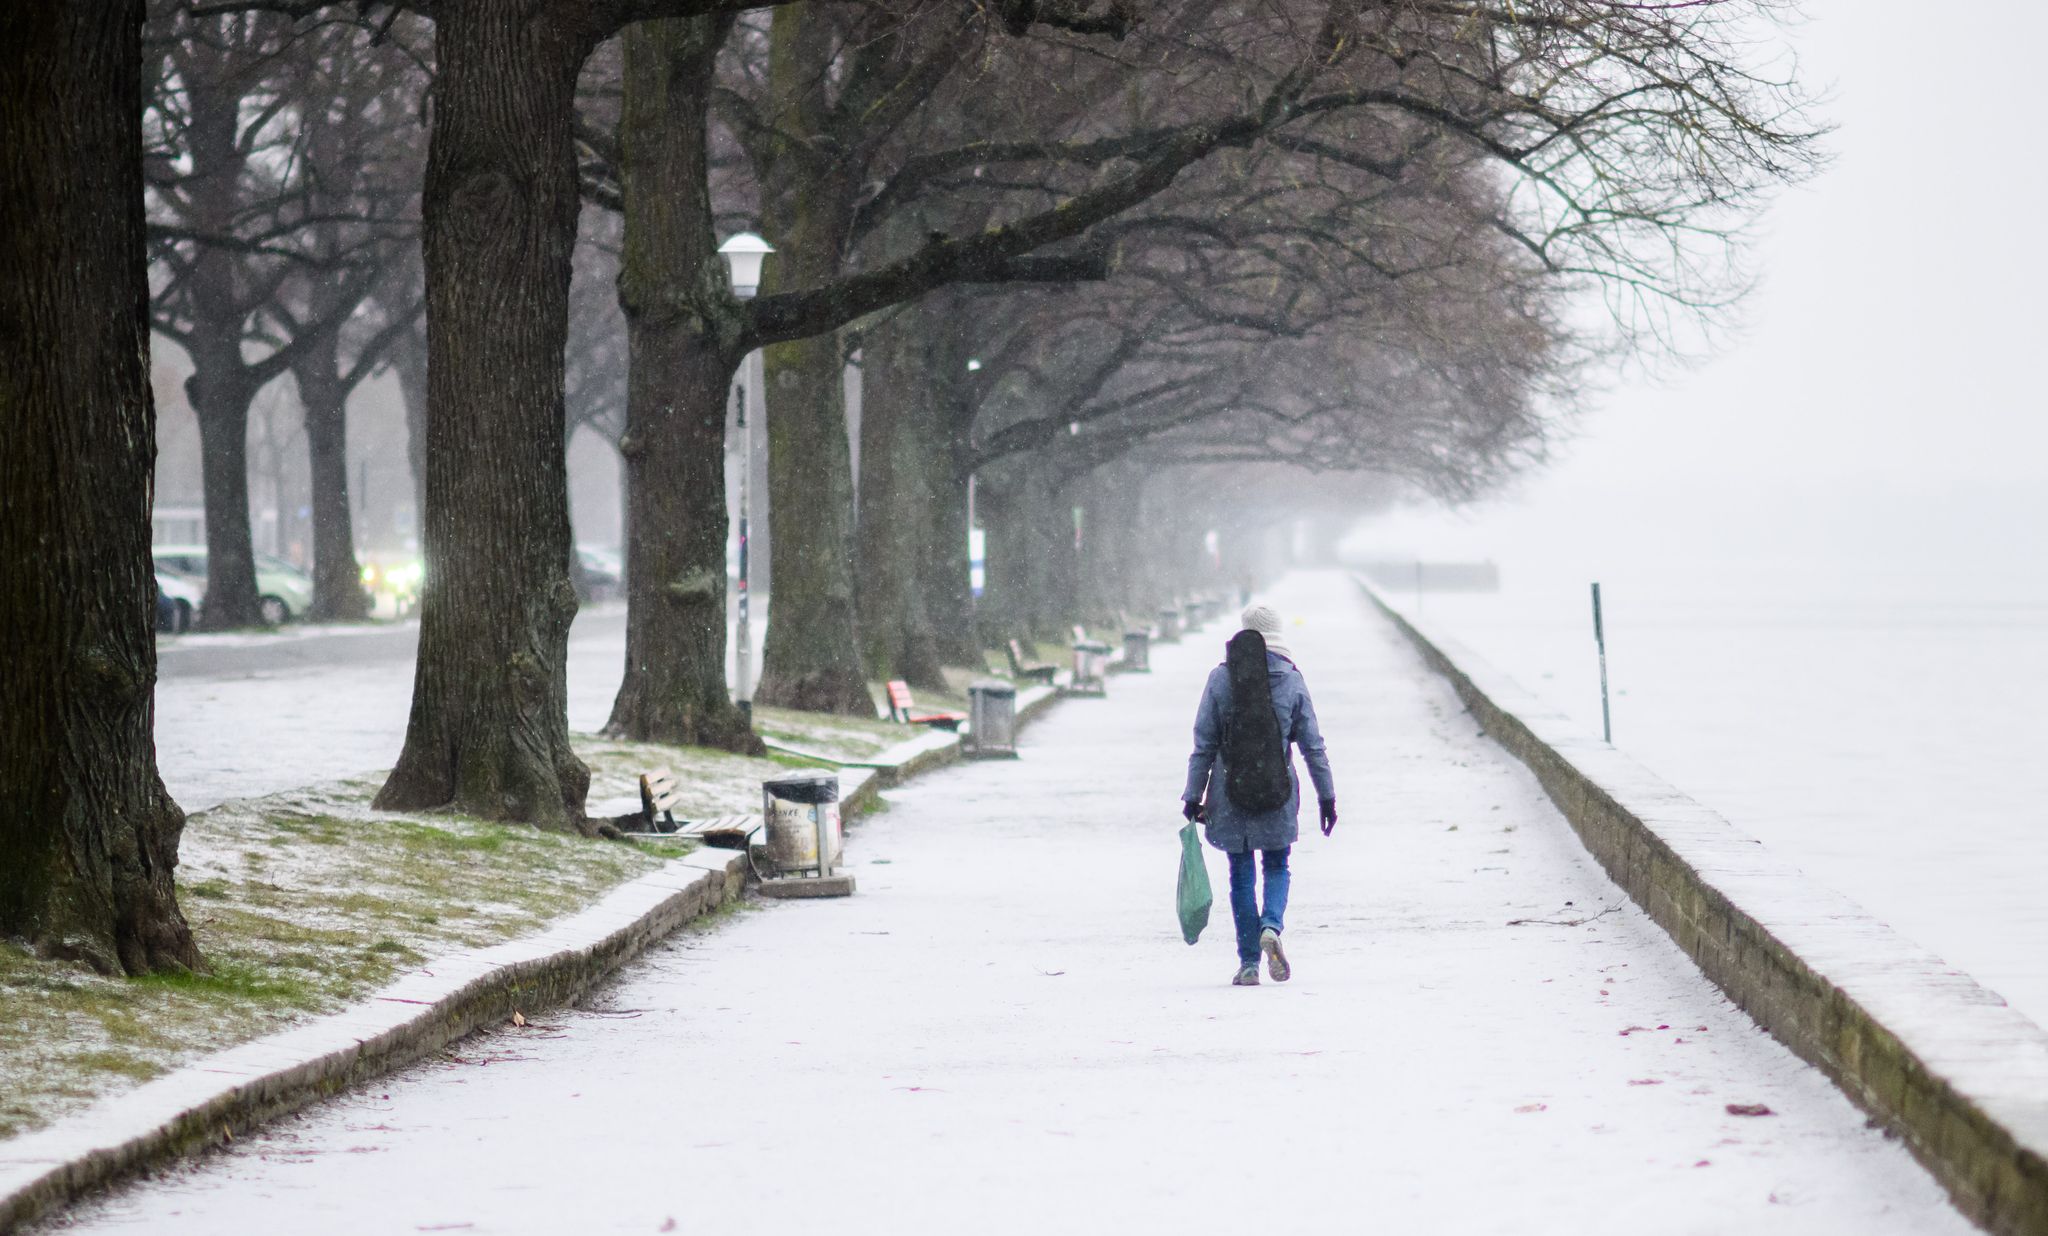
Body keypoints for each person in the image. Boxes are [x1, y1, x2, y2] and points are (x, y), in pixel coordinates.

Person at [1182, 604, 1336, 986]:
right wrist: (1326, 796)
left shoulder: (1221, 679)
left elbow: (1204, 743)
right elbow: (1312, 746)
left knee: (1240, 876)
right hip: (1277, 792)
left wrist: (1192, 794)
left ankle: (1249, 962)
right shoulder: (1291, 680)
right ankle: (1271, 926)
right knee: (1277, 866)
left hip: (1230, 793)